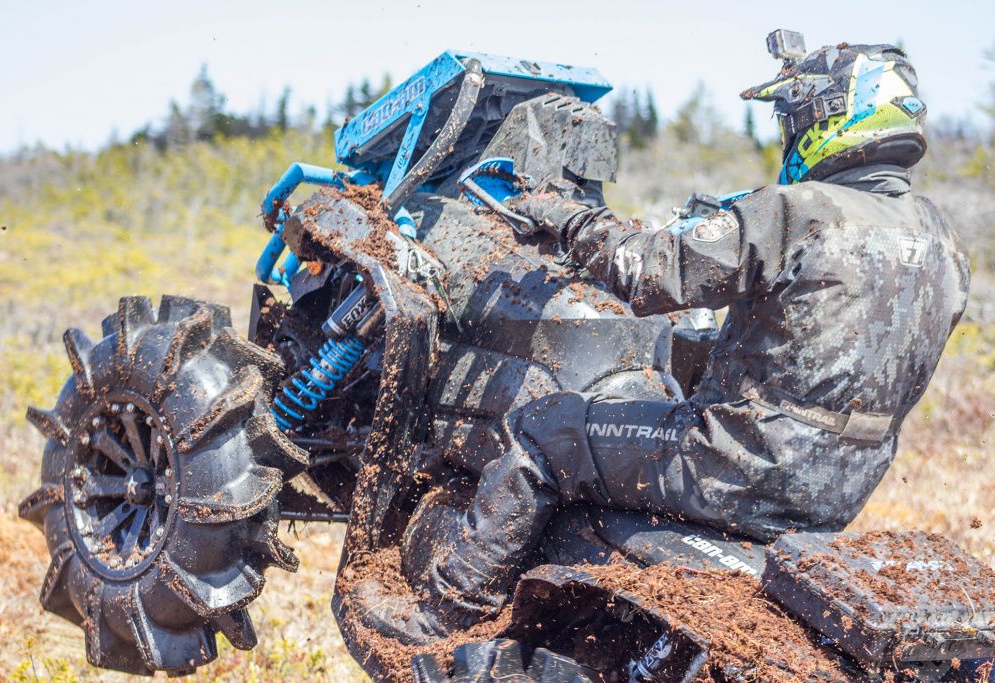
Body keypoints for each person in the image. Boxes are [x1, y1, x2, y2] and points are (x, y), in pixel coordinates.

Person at [352, 33, 971, 644]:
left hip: (731, 463)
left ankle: (443, 612)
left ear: (828, 117)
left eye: (793, 115)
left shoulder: (798, 209)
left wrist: (562, 216)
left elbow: (645, 273)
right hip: (838, 490)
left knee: (544, 428)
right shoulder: (943, 241)